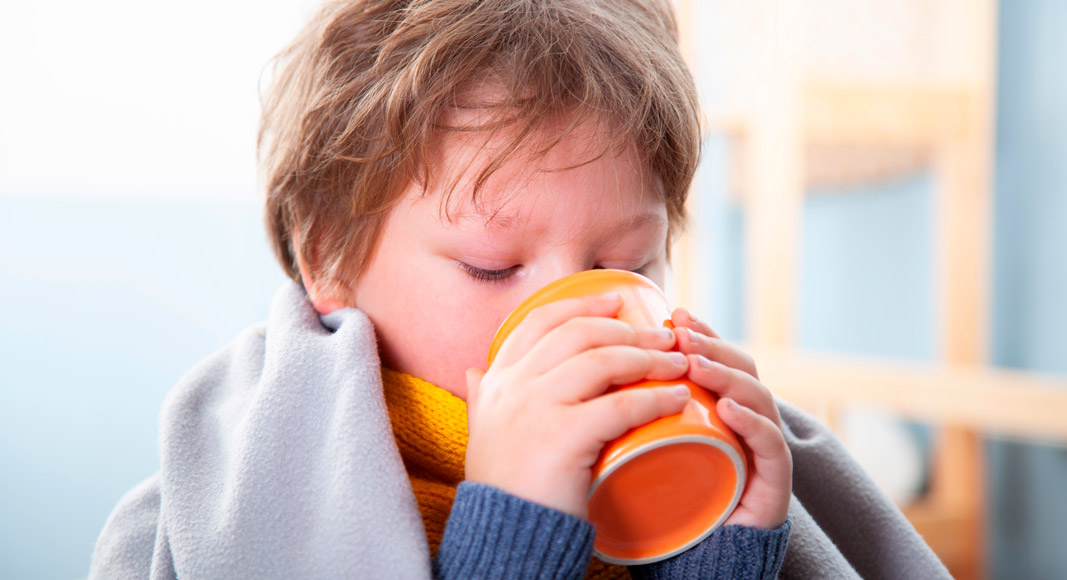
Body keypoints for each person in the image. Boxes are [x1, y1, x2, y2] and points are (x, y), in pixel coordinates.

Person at [89, 1, 951, 578]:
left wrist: (720, 552)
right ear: (326, 259)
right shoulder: (215, 507)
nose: (577, 314)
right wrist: (513, 532)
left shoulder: (707, 452)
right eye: (492, 267)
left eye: (628, 266)